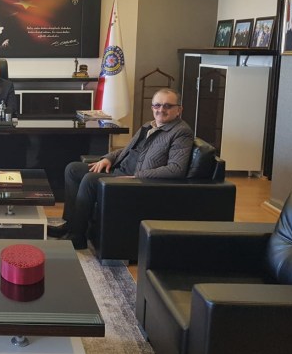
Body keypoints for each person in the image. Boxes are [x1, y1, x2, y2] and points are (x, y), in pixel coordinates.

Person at [50, 88, 194, 249]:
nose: (161, 109)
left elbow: (176, 168)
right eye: (157, 105)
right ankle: (70, 224)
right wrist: (108, 158)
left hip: (134, 181)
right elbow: (127, 149)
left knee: (90, 179)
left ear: (179, 110)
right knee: (73, 169)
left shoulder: (181, 132)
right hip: (119, 169)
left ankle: (77, 236)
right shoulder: (149, 125)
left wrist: (138, 175)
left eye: (167, 106)